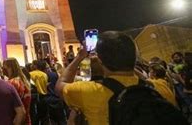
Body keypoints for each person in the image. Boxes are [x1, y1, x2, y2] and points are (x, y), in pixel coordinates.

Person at [55, 31, 186, 124]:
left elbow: (61, 84)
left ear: (100, 60)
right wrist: (129, 60)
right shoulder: (159, 86)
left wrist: (80, 57)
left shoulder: (89, 91)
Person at [3, 58, 31, 124]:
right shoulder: (22, 80)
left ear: (10, 68)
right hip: (25, 119)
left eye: (4, 68)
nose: (2, 70)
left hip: (16, 119)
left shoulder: (13, 82)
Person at [30, 60, 49, 124]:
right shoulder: (44, 75)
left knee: (35, 118)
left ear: (36, 66)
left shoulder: (30, 74)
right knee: (44, 118)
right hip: (44, 98)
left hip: (35, 98)